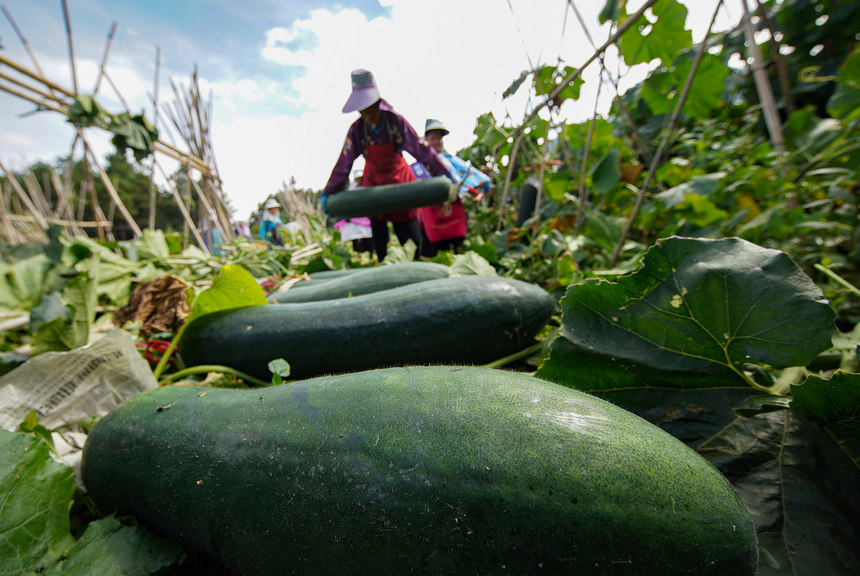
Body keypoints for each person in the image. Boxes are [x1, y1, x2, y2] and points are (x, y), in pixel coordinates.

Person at [321, 69, 451, 262]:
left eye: (370, 107)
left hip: (401, 185)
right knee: (381, 248)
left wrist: (444, 174)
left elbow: (420, 149)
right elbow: (344, 162)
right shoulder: (357, 130)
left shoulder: (395, 122)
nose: (367, 114)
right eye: (362, 109)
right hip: (374, 189)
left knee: (412, 243)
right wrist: (330, 191)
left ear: (377, 102)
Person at [417, 118, 492, 257]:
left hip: (451, 210)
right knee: (433, 249)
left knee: (456, 245)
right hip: (430, 213)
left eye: (438, 138)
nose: (436, 142)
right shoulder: (420, 166)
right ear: (426, 140)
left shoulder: (451, 162)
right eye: (432, 138)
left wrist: (484, 182)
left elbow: (471, 175)